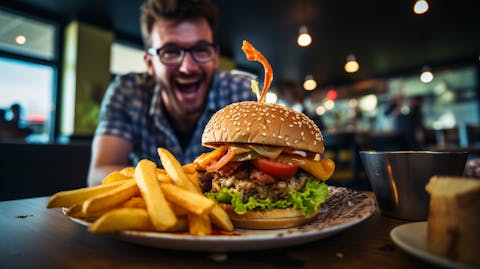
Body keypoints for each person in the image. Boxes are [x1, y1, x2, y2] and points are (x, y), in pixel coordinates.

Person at [87, 0, 256, 186]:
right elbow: (98, 174)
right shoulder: (127, 91)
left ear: (215, 58)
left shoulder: (241, 92)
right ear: (150, 63)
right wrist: (176, 185)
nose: (187, 67)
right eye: (171, 51)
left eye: (201, 50)